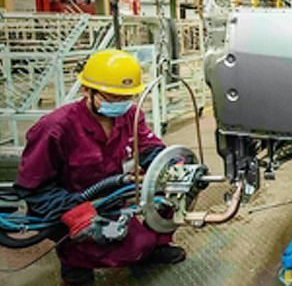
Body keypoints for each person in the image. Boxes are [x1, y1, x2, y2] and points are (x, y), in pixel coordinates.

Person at [14, 50, 186, 285]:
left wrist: (174, 167)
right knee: (132, 248)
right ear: (87, 91)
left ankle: (156, 246)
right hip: (73, 208)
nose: (121, 104)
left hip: (114, 197)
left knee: (169, 194)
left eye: (126, 97)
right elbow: (33, 189)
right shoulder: (55, 128)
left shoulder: (130, 115)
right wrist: (76, 213)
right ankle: (74, 264)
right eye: (113, 97)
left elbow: (148, 148)